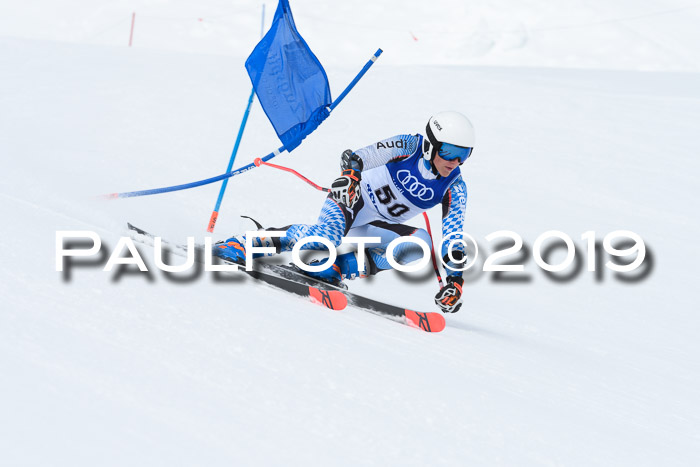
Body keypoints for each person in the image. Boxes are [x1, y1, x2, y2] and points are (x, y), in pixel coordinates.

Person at [215, 111, 473, 313]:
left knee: (419, 246)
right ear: (430, 145)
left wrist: (455, 281)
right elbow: (360, 157)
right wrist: (350, 176)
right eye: (450, 152)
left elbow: (453, 237)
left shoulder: (455, 186)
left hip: (375, 227)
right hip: (351, 199)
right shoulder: (409, 145)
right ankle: (246, 243)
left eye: (464, 155)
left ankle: (332, 268)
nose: (455, 161)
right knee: (324, 239)